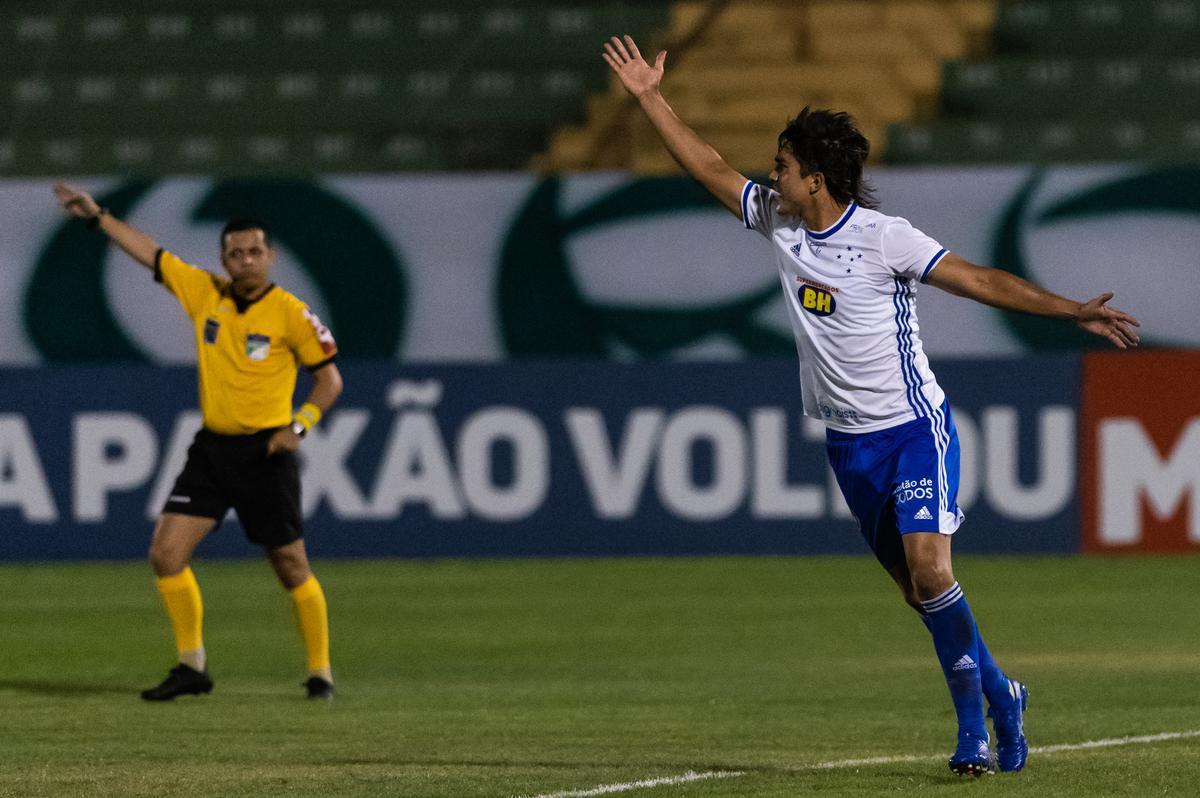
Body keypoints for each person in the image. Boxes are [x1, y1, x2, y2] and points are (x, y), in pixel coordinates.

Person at [602, 35, 1139, 775]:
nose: (772, 174)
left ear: (815, 178)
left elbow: (981, 281)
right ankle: (1003, 693)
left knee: (931, 570)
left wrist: (1071, 310)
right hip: (849, 446)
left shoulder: (885, 239)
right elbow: (710, 167)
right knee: (920, 594)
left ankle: (972, 735)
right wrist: (650, 98)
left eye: (783, 165)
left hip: (915, 429)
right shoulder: (780, 220)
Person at [53, 182, 345, 701]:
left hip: (265, 454)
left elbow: (329, 381)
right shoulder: (205, 293)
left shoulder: (292, 313)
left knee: (290, 565)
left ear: (271, 256)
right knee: (166, 554)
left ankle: (320, 671)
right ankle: (193, 666)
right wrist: (97, 216)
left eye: (254, 251)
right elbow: (149, 252)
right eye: (236, 253)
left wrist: (298, 427)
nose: (246, 260)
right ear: (224, 259)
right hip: (212, 451)